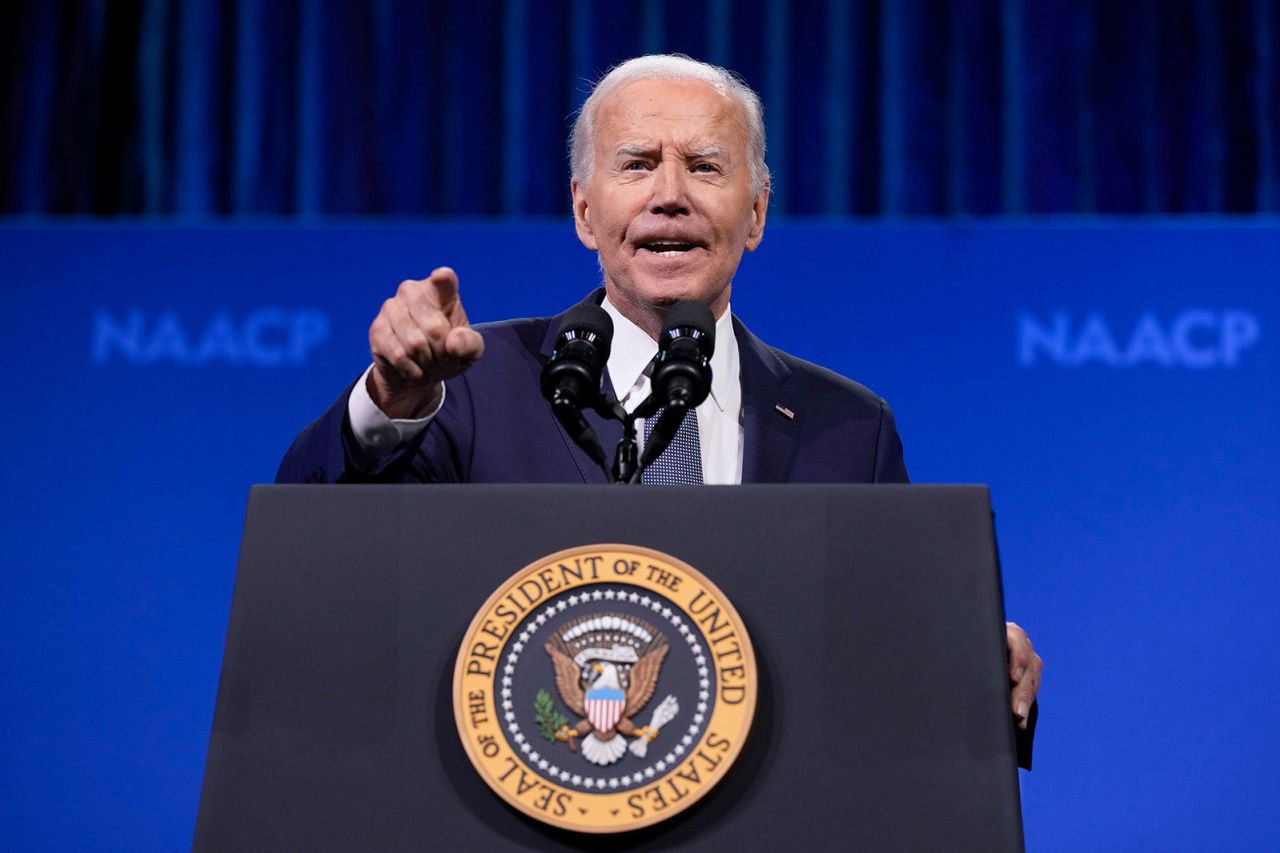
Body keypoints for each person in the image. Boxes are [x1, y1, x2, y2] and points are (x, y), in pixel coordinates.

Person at [277, 54, 1041, 764]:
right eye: (637, 165)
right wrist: (391, 401)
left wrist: (964, 662)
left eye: (704, 167)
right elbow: (318, 560)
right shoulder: (474, 384)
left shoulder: (848, 428)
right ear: (584, 211)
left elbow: (889, 652)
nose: (669, 195)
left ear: (756, 213)